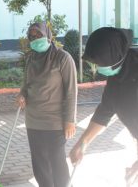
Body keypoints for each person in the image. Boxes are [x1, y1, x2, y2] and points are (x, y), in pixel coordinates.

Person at [69, 27, 138, 186]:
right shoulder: (116, 77)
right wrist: (82, 144)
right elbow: (104, 112)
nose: (96, 67)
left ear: (114, 56)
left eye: (98, 62)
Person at [17, 22, 77, 187]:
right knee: (39, 164)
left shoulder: (63, 58)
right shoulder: (31, 58)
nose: (35, 39)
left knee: (57, 162)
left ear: (48, 36)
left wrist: (70, 120)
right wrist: (22, 94)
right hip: (33, 120)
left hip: (55, 121)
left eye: (39, 35)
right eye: (32, 36)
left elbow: (71, 91)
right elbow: (26, 84)